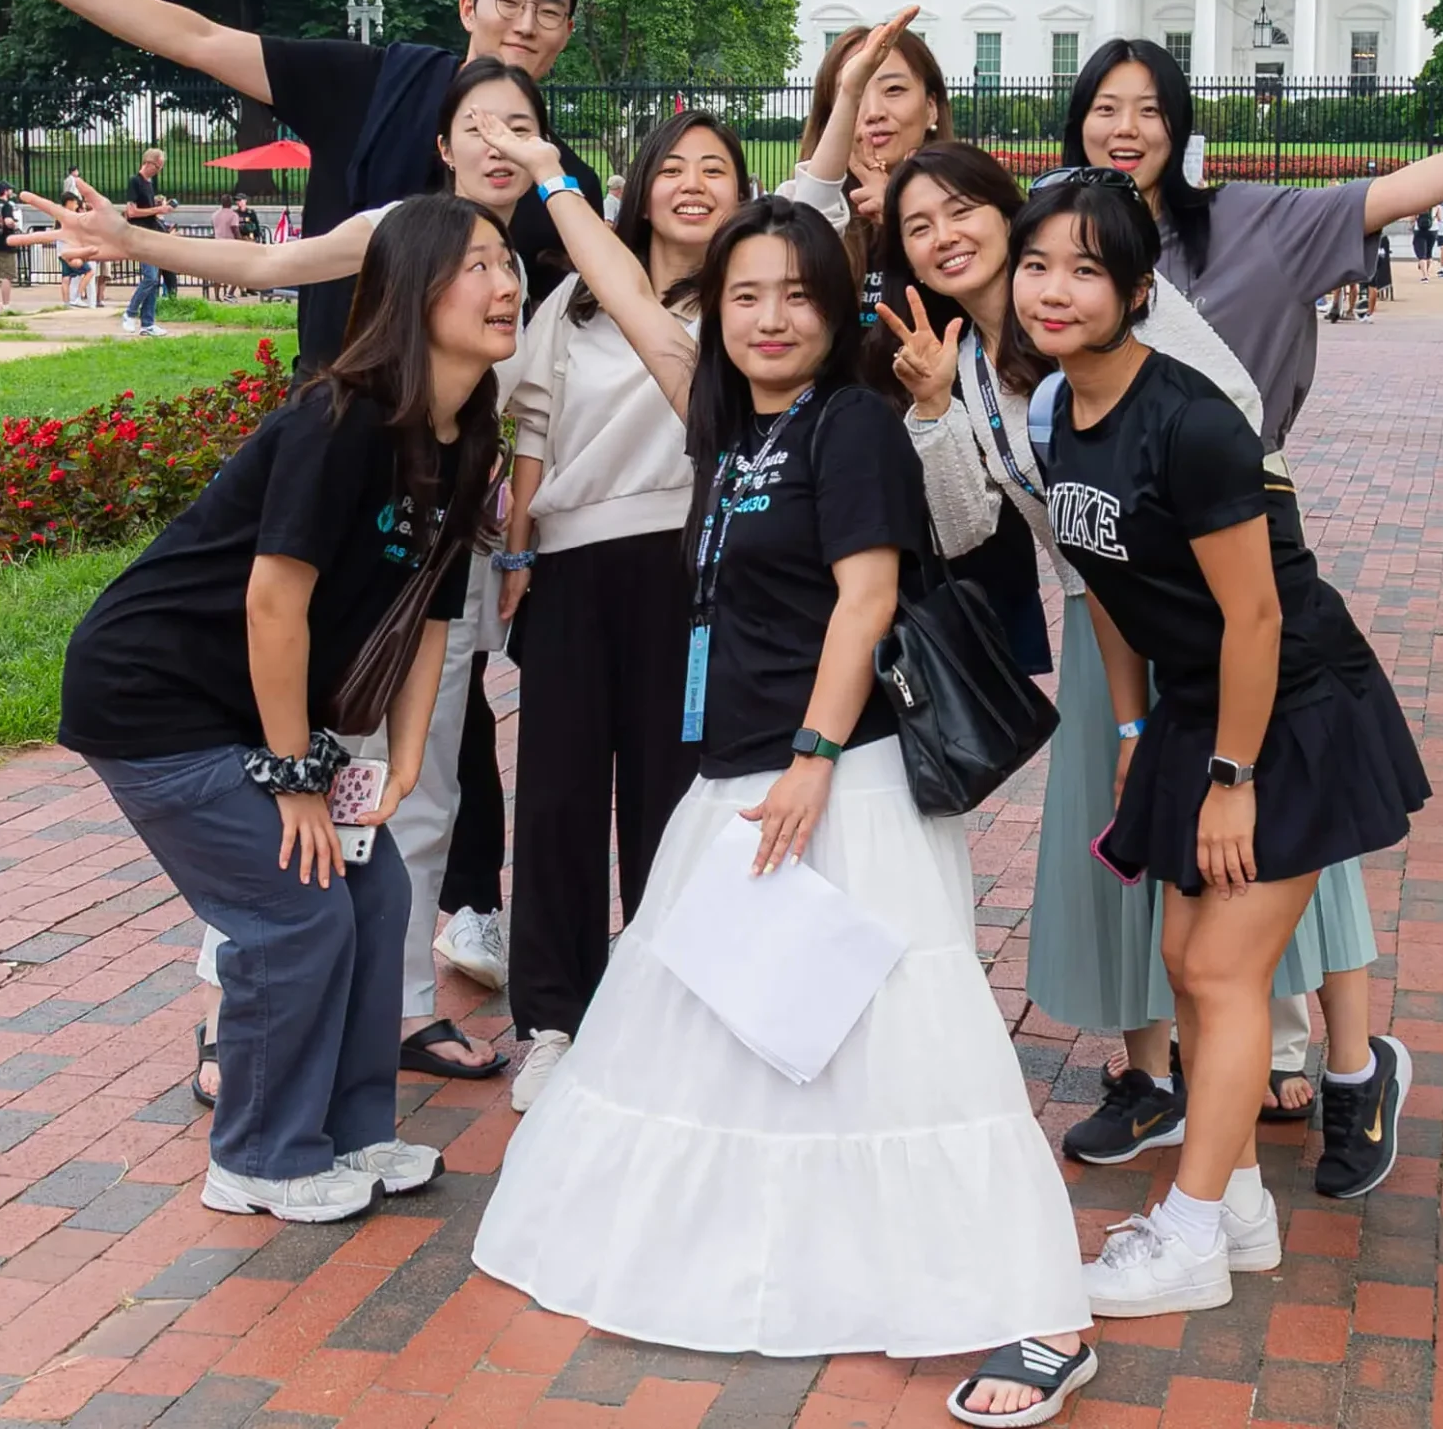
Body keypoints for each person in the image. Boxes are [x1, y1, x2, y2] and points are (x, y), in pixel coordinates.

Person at [466, 149, 1097, 1425]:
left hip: (839, 781)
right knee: (725, 1034)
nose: (767, 317)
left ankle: (1044, 1316)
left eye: (795, 296)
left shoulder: (850, 425)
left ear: (835, 307)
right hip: (735, 778)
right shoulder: (728, 419)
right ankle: (785, 1265)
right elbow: (634, 301)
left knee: (911, 1052)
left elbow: (866, 596)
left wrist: (814, 758)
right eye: (744, 296)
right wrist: (552, 186)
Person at [28, 59, 550, 1087]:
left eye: (522, 125)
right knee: (285, 864)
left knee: (406, 819)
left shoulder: (535, 259)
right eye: (477, 124)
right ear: (441, 145)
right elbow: (275, 270)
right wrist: (130, 239)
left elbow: (461, 545)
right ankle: (247, 1042)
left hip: (412, 569)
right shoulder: (395, 251)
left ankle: (384, 1039)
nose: (500, 142)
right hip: (295, 601)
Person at [1062, 36, 1443, 1177]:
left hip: (1240, 565)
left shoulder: (1259, 227)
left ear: (1180, 125)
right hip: (1120, 578)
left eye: (1147, 109)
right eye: (1103, 108)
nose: (1124, 128)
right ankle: (1164, 1075)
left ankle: (1352, 1064)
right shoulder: (1060, 243)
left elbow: (1417, 185)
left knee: (1291, 830)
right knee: (1154, 842)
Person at [58, 191, 520, 1221]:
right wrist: (296, 776)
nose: (506, 285)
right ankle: (258, 1157)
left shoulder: (464, 438)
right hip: (157, 696)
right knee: (292, 911)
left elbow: (431, 614)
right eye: (477, 265)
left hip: (250, 713)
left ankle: (350, 1136)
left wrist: (401, 761)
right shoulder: (342, 418)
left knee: (378, 895)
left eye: (508, 265)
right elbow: (276, 600)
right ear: (409, 291)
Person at [1013, 171, 1427, 1321]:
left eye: (1087, 270)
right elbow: (1112, 589)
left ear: (1139, 293)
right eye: (1037, 263)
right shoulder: (1056, 413)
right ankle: (1233, 1206)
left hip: (1290, 709)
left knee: (1224, 971)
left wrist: (1233, 780)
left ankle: (1189, 1237)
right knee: (1189, 967)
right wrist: (1141, 729)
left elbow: (1257, 615)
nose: (1054, 290)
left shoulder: (1192, 421)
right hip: (1200, 708)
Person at [877, 143, 1267, 1169]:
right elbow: (965, 528)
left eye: (961, 210)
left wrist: (1164, 534)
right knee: (1129, 844)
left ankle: (1310, 1057)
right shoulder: (957, 361)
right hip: (1103, 622)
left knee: (1257, 835)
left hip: (1202, 602)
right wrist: (927, 411)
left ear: (1008, 217)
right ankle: (1156, 1074)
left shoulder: (1090, 286)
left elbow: (1237, 411)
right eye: (918, 227)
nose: (945, 236)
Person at [0, 0, 603, 367]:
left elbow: (560, 343)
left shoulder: (568, 188)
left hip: (457, 443)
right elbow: (199, 40)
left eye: (549, 11)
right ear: (470, 8)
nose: (526, 25)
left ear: (566, 30)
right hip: (334, 403)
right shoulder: (373, 84)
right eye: (510, 1)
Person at [494, 110, 746, 1112]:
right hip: (569, 568)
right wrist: (516, 547)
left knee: (670, 796)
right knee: (554, 798)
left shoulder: (749, 297)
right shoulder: (576, 304)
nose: (693, 183)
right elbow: (530, 426)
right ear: (639, 190)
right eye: (672, 167)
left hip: (690, 572)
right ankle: (553, 1021)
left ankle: (657, 1007)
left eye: (716, 168)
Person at [794, 18, 951, 324]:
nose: (874, 113)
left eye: (893, 89)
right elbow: (801, 238)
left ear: (931, 106)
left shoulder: (973, 201)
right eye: (852, 96)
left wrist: (899, 213)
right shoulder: (799, 203)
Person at [121, 147, 171, 336]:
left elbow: (145, 210)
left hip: (150, 233)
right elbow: (132, 212)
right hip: (140, 234)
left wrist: (158, 208)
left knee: (154, 280)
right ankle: (130, 313)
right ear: (149, 163)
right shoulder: (135, 181)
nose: (158, 170)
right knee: (150, 277)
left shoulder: (148, 184)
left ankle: (148, 323)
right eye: (158, 166)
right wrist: (157, 211)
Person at [0, 182, 18, 313]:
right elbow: (8, 221)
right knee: (6, 276)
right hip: (5, 245)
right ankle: (6, 305)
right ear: (6, 191)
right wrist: (14, 225)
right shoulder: (7, 206)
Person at [1412, 208, 1434, 282]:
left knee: (1421, 254)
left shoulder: (1419, 206)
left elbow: (1412, 219)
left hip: (1419, 231)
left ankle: (1425, 276)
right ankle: (1426, 272)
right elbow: (1439, 217)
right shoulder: (1436, 206)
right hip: (1433, 231)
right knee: (1429, 253)